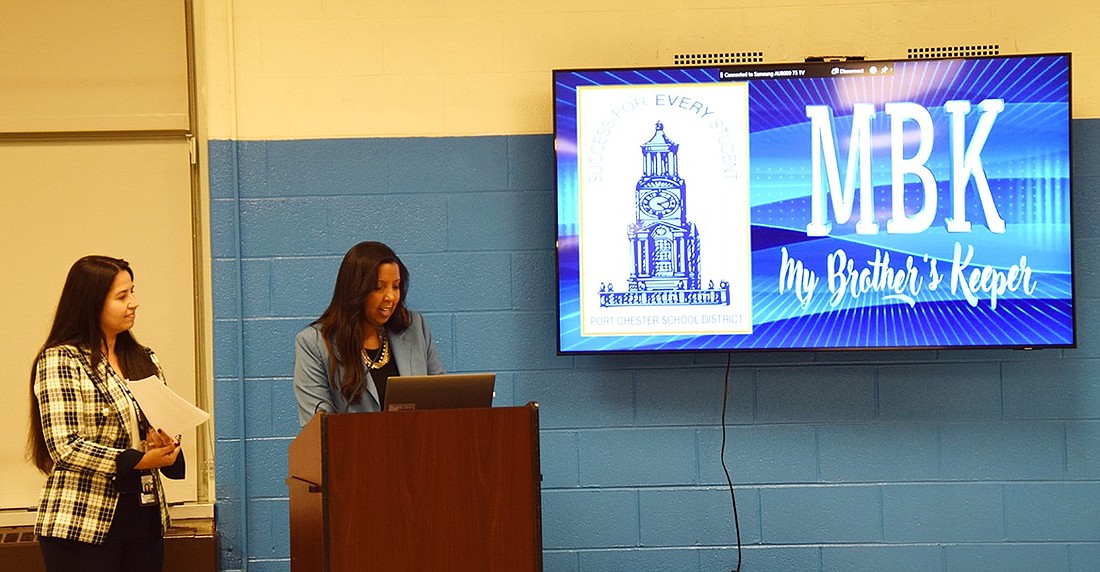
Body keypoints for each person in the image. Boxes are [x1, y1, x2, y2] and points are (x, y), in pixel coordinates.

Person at [27, 256, 185, 572]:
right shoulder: (61, 360)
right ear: (91, 303)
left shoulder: (143, 358)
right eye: (122, 296)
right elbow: (65, 447)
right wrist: (139, 460)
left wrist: (164, 446)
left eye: (133, 292)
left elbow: (163, 423)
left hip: (144, 516)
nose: (134, 303)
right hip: (82, 522)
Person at [294, 241, 445, 425]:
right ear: (356, 290)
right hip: (354, 451)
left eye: (396, 286)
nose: (390, 297)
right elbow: (318, 427)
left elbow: (442, 401)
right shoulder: (314, 344)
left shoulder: (415, 328)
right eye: (378, 287)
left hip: (418, 449)